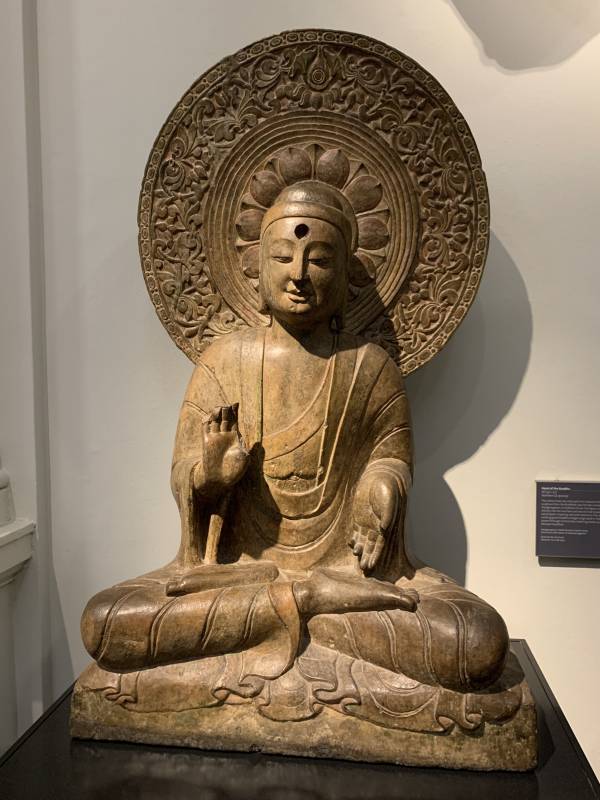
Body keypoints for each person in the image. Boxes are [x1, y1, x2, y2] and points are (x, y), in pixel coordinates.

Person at [81, 181, 509, 698]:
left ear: (346, 276)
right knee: (106, 622)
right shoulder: (222, 362)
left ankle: (291, 613)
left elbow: (390, 460)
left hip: (347, 576)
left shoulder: (371, 368)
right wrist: (209, 477)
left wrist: (381, 491)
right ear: (257, 269)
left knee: (475, 641)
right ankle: (308, 607)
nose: (299, 274)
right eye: (283, 256)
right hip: (240, 577)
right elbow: (185, 480)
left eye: (320, 260)